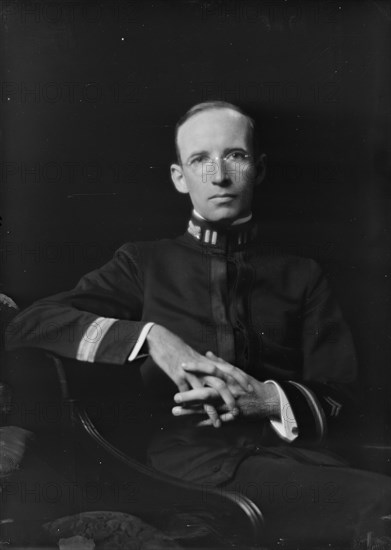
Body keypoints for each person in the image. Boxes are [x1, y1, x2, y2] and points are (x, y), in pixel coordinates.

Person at [5, 101, 391, 545]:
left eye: (236, 156)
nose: (220, 176)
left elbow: (342, 394)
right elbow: (27, 324)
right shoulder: (143, 263)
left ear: (259, 170)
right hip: (188, 469)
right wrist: (154, 339)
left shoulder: (302, 274)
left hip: (301, 461)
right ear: (178, 177)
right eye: (200, 160)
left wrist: (268, 402)